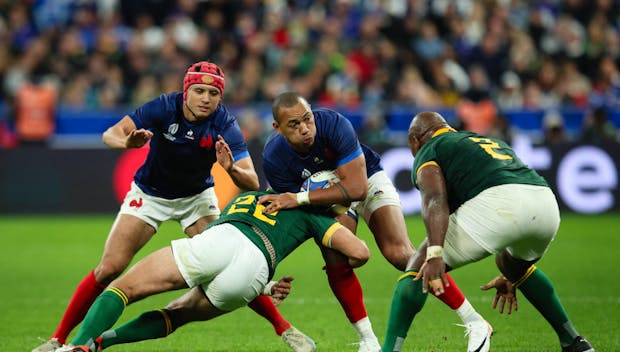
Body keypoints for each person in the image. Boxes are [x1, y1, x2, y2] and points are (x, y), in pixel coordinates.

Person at [33, 62, 311, 352]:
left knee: (229, 262)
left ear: (221, 97)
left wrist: (230, 169)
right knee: (109, 268)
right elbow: (110, 134)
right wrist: (126, 142)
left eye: (213, 93)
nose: (206, 98)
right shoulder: (163, 108)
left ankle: (284, 328)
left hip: (197, 198)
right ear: (186, 90)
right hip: (150, 195)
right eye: (199, 91)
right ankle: (58, 339)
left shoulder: (224, 123)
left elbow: (251, 179)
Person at [257, 92, 492, 352]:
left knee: (401, 253)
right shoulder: (273, 158)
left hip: (366, 179)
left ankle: (475, 321)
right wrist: (343, 239)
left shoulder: (334, 124)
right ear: (277, 128)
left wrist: (301, 197)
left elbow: (357, 189)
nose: (305, 129)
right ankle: (368, 341)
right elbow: (299, 210)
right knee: (336, 259)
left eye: (307, 119)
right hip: (324, 201)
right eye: (294, 125)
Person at [54, 190, 370, 352]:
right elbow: (360, 252)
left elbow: (234, 239)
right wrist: (347, 257)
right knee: (176, 315)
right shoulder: (319, 219)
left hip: (222, 240)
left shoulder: (250, 197)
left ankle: (78, 346)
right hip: (252, 274)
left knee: (123, 289)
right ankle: (102, 343)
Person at [390, 110, 594, 352]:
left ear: (415, 140)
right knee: (511, 265)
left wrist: (435, 254)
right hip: (545, 203)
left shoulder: (430, 148)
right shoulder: (484, 140)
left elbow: (435, 199)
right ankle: (573, 341)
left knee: (418, 265)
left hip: (501, 203)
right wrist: (511, 275)